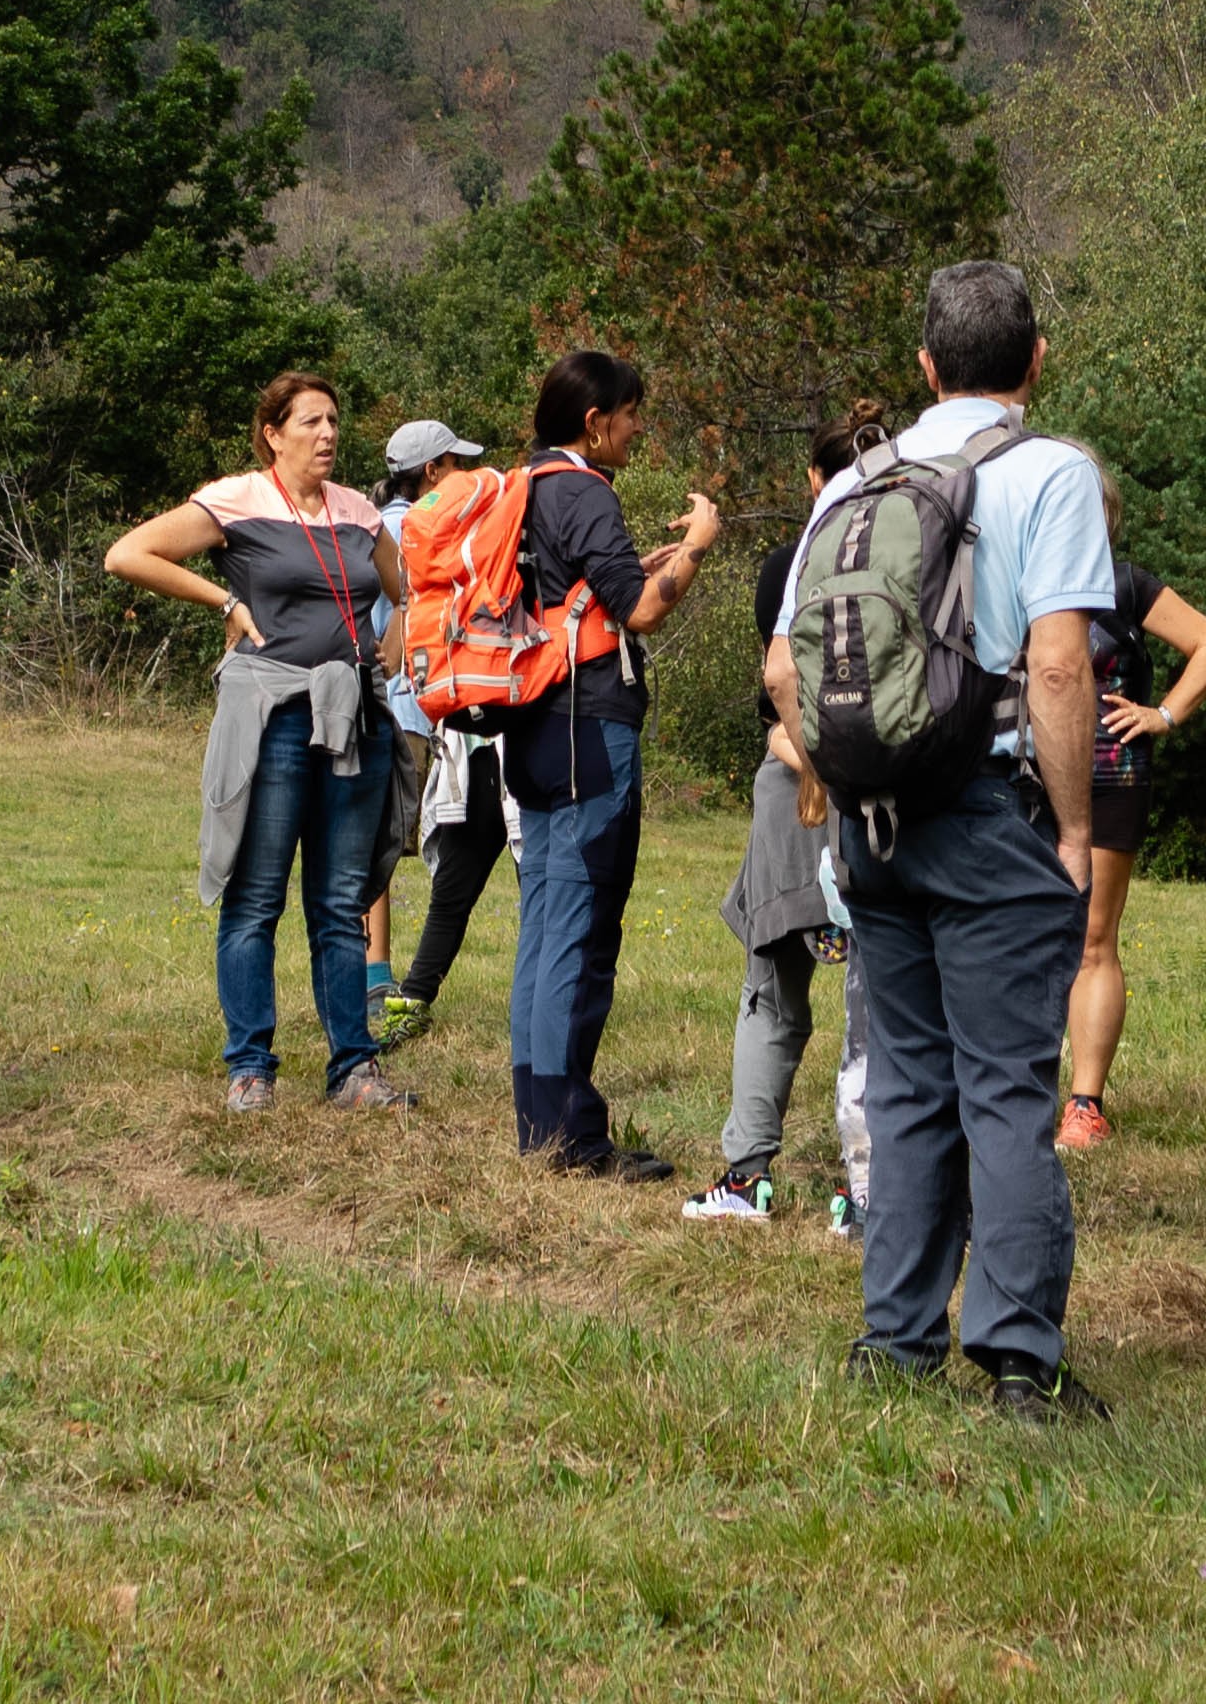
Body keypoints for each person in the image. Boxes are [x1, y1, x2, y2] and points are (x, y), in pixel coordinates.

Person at [764, 259, 1124, 1421]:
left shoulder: (855, 480)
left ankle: (897, 1339)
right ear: (1036, 360)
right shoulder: (1051, 471)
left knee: (908, 1083)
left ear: (925, 366)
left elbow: (784, 667)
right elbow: (1059, 665)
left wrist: (841, 779)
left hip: (875, 824)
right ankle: (1019, 1359)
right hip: (991, 808)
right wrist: (1074, 828)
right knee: (1006, 1091)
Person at [108, 370, 414, 1112]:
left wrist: (400, 627)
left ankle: (354, 1071)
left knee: (340, 900)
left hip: (351, 719)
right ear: (273, 434)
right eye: (310, 421)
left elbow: (403, 585)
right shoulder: (238, 499)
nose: (328, 433)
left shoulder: (358, 510)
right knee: (255, 898)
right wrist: (226, 600)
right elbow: (129, 555)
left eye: (333, 420)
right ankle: (250, 1068)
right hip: (272, 718)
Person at [498, 346, 720, 1178]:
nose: (637, 429)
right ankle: (571, 1137)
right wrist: (697, 548)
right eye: (630, 415)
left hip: (532, 723)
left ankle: (538, 1124)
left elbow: (580, 591)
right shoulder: (584, 490)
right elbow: (642, 613)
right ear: (594, 422)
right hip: (589, 730)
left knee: (543, 922)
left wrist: (636, 569)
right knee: (580, 930)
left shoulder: (523, 487)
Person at [689, 418, 886, 1228]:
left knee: (771, 992)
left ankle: (746, 1178)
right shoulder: (908, 558)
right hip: (874, 792)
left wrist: (802, 752)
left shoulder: (790, 563)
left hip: (795, 783)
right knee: (879, 1002)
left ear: (814, 481)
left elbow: (778, 685)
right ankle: (868, 1192)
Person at [1051, 502, 1206, 1151]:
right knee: (1017, 935)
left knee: (1093, 939)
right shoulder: (1013, 576)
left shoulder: (1125, 584)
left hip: (1110, 777)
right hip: (1024, 776)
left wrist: (1164, 714)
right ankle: (1013, 1091)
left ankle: (1085, 1105)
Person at [364, 420, 508, 1049]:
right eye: (453, 464)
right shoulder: (420, 529)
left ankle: (393, 986)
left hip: (410, 710)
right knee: (387, 848)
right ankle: (376, 981)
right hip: (420, 713)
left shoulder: (378, 524)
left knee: (417, 857)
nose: (462, 475)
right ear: (431, 472)